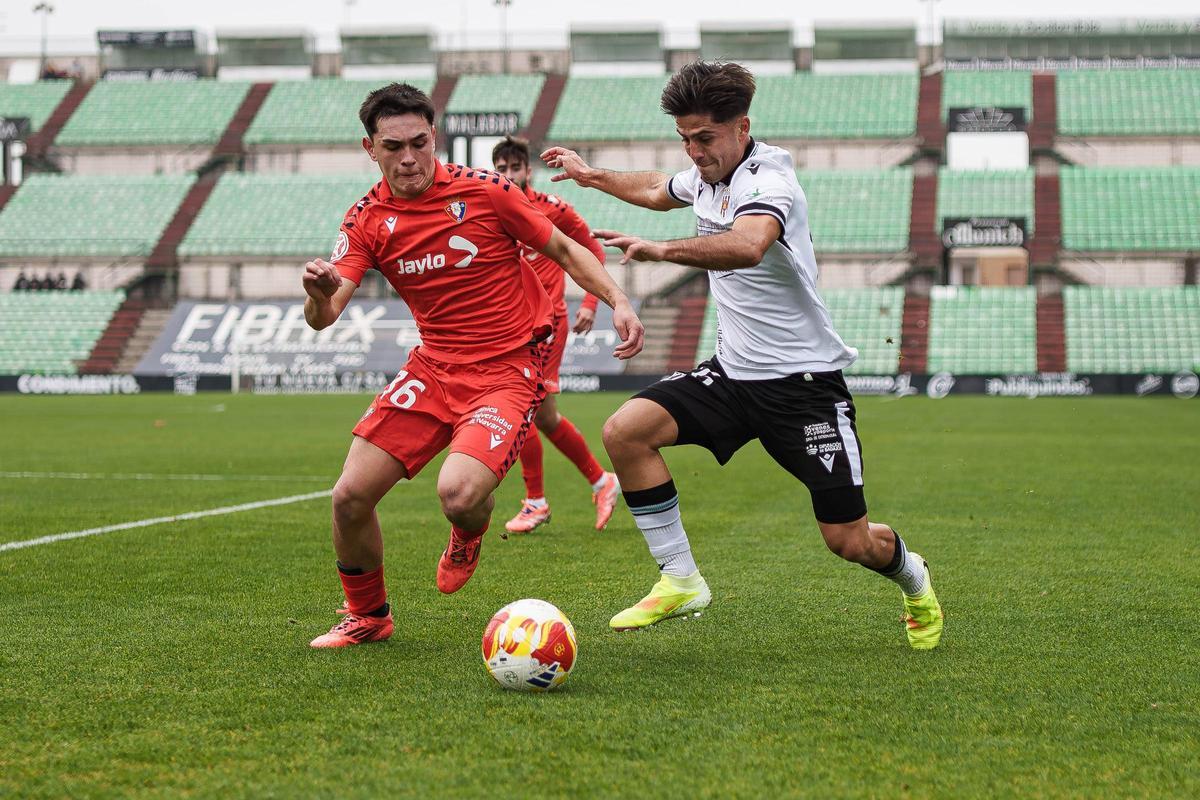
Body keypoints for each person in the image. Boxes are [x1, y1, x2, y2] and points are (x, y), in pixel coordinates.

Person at [541, 61, 943, 649]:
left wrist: (662, 250)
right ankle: (679, 579)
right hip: (732, 376)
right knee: (626, 431)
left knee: (849, 541)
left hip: (803, 388)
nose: (694, 151)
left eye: (704, 138)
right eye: (685, 139)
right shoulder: (707, 174)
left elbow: (750, 244)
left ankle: (914, 579)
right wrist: (589, 175)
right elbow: (658, 188)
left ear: (741, 126)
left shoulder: (768, 179)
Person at [302, 83, 644, 648]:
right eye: (393, 147)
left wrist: (618, 301)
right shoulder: (365, 218)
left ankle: (468, 531)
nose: (408, 157)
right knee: (349, 497)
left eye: (418, 142)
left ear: (433, 135)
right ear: (370, 149)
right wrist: (317, 294)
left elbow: (564, 249)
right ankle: (368, 615)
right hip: (433, 368)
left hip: (509, 370)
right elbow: (325, 314)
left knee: (459, 495)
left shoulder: (488, 192)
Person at [491, 135, 621, 534]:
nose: (508, 175)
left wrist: (590, 303)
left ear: (528, 171)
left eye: (515, 168)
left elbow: (592, 251)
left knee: (522, 414)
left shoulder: (552, 209)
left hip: (545, 327)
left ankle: (536, 502)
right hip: (509, 327)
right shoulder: (490, 206)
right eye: (501, 169)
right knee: (545, 418)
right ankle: (603, 481)